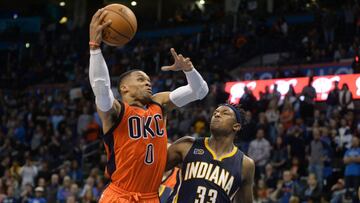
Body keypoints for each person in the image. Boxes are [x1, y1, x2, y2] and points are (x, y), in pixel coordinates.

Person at [89, 9, 209, 203]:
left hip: (151, 197)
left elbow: (200, 92)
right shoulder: (116, 112)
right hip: (119, 195)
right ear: (125, 88)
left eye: (148, 79)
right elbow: (100, 87)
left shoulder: (159, 103)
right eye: (141, 79)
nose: (148, 83)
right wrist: (95, 47)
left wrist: (189, 70)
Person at [166, 104, 255, 202]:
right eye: (215, 113)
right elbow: (153, 170)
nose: (217, 115)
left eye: (225, 113)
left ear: (236, 126)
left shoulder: (245, 164)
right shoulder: (187, 145)